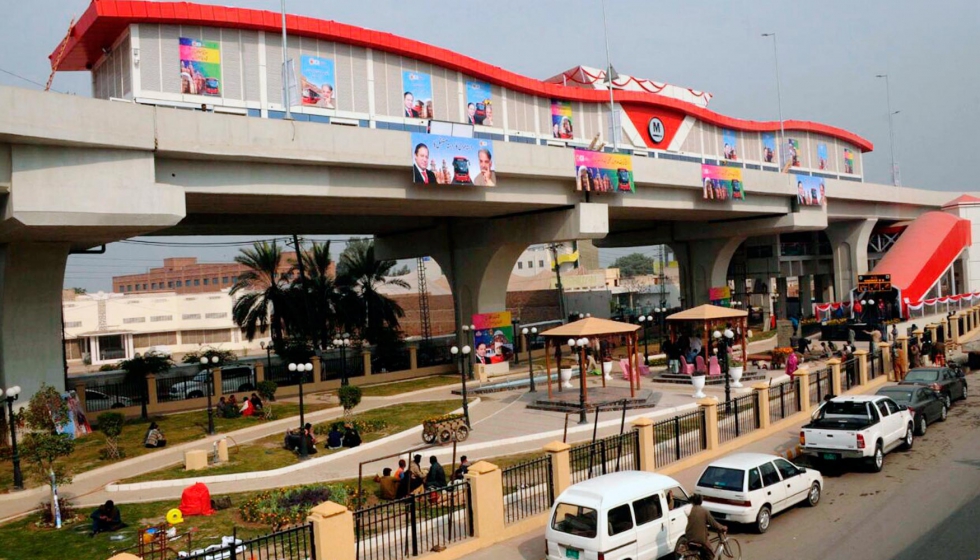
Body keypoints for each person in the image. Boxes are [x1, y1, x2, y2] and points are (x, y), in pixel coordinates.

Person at [684, 494, 726, 560]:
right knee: (710, 555)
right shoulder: (704, 511)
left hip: (689, 537)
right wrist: (722, 527)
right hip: (700, 539)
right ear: (701, 501)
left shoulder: (690, 510)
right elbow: (714, 523)